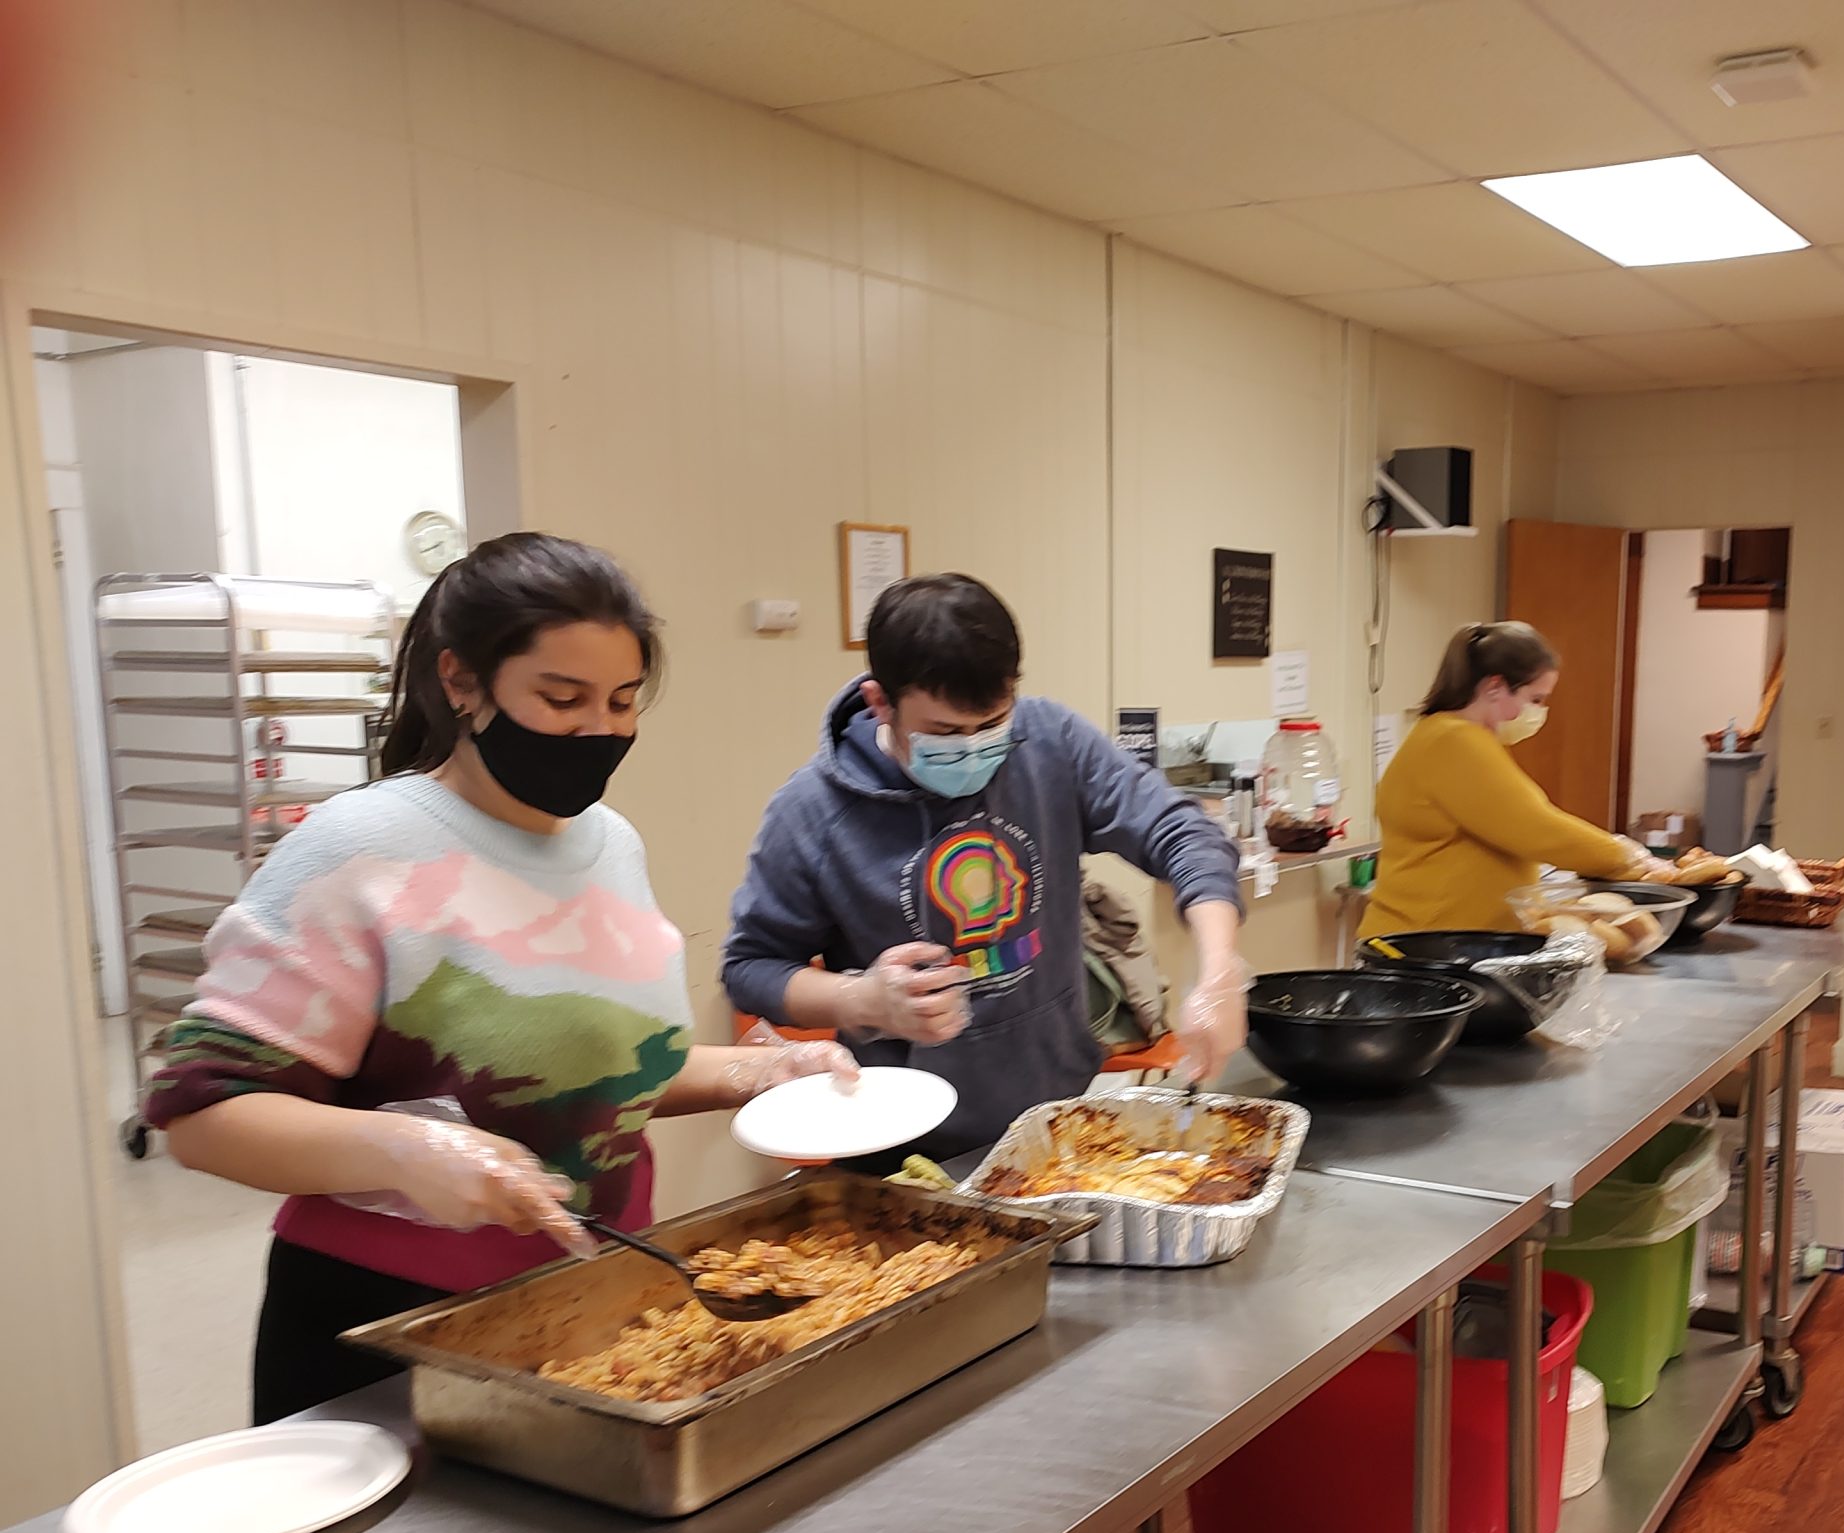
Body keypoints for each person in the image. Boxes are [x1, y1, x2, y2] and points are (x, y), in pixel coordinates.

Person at [147, 533, 858, 1423]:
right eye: (561, 699)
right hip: (381, 1321)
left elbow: (602, 1066)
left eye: (622, 701)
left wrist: (757, 1070)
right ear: (462, 682)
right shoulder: (359, 850)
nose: (597, 730)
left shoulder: (610, 844)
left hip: (590, 1297)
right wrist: (407, 1152)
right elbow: (203, 1115)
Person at [722, 572, 1247, 1163]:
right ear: (880, 703)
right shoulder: (813, 812)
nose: (974, 748)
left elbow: (1181, 831)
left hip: (1061, 1120)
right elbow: (751, 967)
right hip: (904, 1153)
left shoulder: (1049, 742)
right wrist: (862, 999)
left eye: (993, 724)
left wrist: (1219, 968)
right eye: (945, 732)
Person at [1363, 620, 1662, 939]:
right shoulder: (1455, 742)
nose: (1539, 712)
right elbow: (1538, 828)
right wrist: (1626, 855)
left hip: (1439, 939)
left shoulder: (1445, 735)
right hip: (1424, 943)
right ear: (1494, 687)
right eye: (1535, 699)